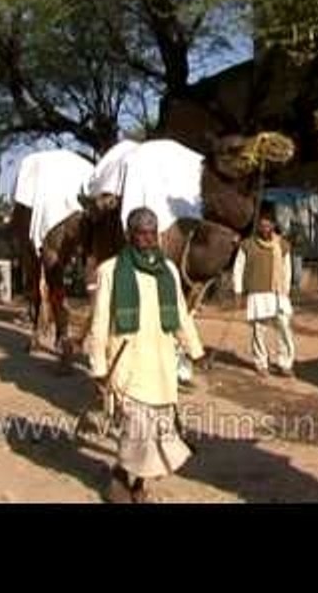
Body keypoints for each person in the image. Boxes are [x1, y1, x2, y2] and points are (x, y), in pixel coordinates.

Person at [87, 206, 205, 503]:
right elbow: (100, 322)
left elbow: (180, 316)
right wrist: (98, 366)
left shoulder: (169, 272)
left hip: (162, 366)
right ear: (129, 235)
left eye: (152, 233)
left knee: (155, 435)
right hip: (128, 364)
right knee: (135, 432)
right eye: (141, 233)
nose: (148, 239)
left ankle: (138, 485)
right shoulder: (110, 270)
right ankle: (118, 480)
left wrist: (196, 351)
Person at [233, 208, 297, 377]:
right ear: (258, 227)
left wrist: (286, 291)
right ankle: (261, 363)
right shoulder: (247, 245)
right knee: (259, 330)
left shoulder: (282, 245)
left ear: (273, 226)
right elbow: (238, 268)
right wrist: (238, 291)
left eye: (268, 225)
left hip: (278, 294)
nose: (265, 229)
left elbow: (287, 270)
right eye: (262, 226)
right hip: (257, 293)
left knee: (284, 328)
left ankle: (285, 363)